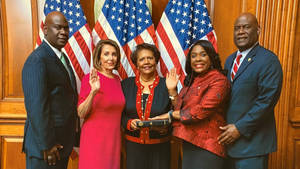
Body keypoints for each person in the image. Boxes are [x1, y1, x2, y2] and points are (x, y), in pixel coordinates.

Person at [217, 13, 283, 169]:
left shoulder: (268, 60)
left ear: (258, 30)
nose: (240, 32)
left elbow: (266, 102)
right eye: (237, 28)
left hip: (252, 146)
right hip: (227, 144)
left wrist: (239, 128)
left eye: (246, 27)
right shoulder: (229, 60)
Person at [153, 40, 231, 169]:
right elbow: (181, 109)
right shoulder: (192, 80)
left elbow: (200, 111)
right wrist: (172, 90)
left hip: (208, 146)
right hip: (190, 142)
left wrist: (170, 115)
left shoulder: (219, 81)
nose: (198, 59)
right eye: (193, 56)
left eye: (203, 54)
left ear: (212, 58)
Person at [22, 11, 78, 169]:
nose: (63, 32)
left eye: (66, 28)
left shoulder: (62, 57)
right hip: (46, 148)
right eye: (58, 28)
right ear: (45, 30)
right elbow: (36, 106)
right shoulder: (37, 60)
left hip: (61, 144)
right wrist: (47, 145)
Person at [121, 43, 178, 169]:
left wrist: (172, 91)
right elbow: (120, 114)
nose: (146, 62)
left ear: (156, 61)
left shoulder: (166, 84)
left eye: (150, 58)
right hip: (133, 148)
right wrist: (129, 123)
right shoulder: (126, 85)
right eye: (141, 59)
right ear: (136, 64)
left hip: (160, 147)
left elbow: (178, 112)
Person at [77, 39, 125, 169]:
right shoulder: (90, 78)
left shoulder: (117, 80)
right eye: (106, 54)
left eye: (114, 54)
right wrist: (93, 91)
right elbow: (81, 113)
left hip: (113, 141)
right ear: (98, 57)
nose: (111, 58)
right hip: (94, 140)